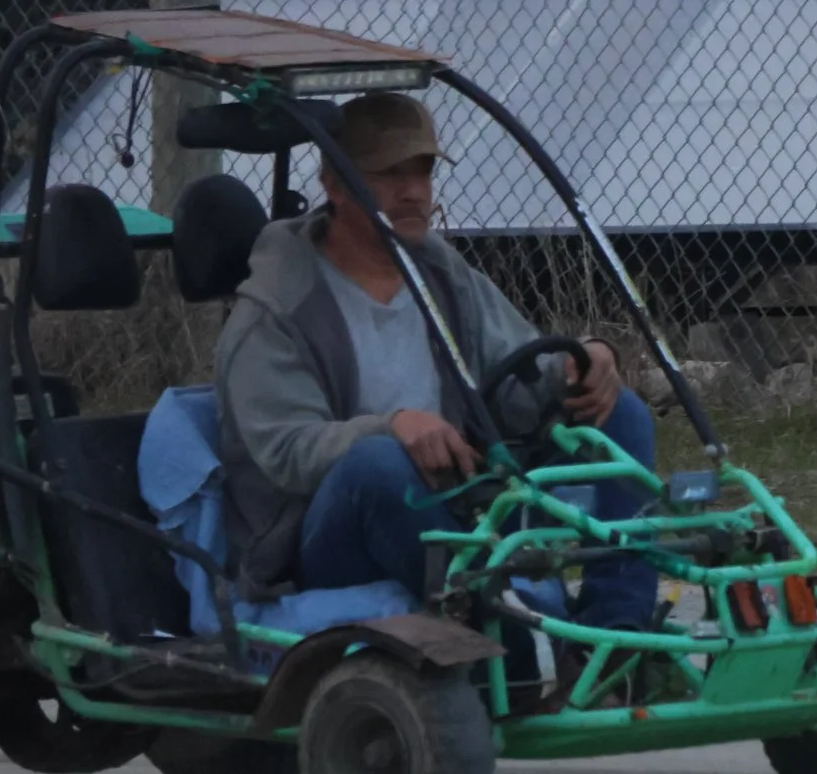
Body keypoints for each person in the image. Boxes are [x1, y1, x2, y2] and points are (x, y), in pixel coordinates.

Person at [212, 92, 660, 639]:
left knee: (622, 416)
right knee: (378, 463)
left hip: (459, 506)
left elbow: (516, 376)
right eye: (388, 174)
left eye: (422, 172)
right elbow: (289, 452)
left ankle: (619, 638)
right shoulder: (275, 309)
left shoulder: (441, 272)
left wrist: (585, 362)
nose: (413, 192)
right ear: (333, 184)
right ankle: (516, 653)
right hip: (327, 537)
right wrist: (392, 428)